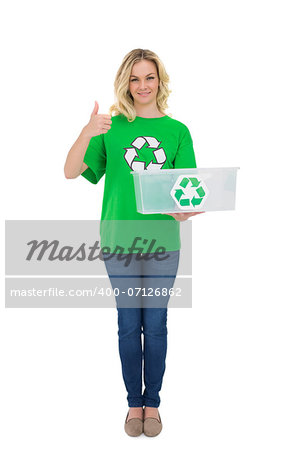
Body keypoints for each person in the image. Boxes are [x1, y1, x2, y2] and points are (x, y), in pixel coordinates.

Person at [64, 48, 204, 437]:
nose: (143, 85)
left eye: (150, 77)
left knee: (155, 324)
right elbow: (71, 172)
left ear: (160, 81)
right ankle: (133, 405)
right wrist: (87, 130)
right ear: (126, 82)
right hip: (119, 242)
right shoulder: (111, 127)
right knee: (129, 325)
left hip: (163, 242)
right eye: (135, 78)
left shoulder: (178, 132)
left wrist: (184, 210)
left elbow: (187, 189)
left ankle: (153, 403)